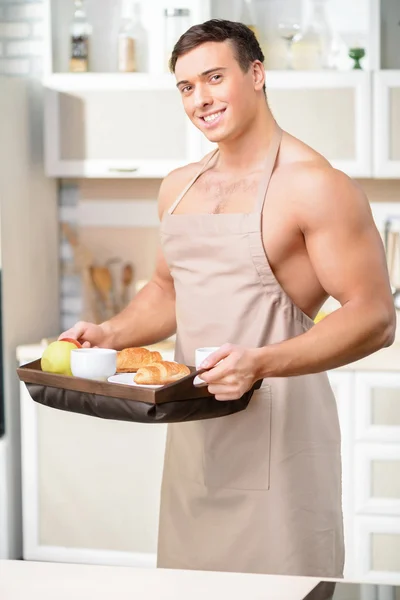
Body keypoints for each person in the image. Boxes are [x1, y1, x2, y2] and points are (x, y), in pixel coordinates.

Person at [60, 20, 396, 577]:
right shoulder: (179, 186)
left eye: (214, 77)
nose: (200, 99)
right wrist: (110, 333)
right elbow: (170, 289)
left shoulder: (316, 184)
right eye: (186, 87)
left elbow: (375, 316)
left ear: (257, 74)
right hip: (195, 437)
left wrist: (259, 362)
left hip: (282, 442)